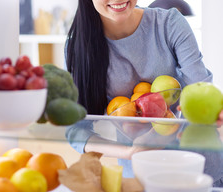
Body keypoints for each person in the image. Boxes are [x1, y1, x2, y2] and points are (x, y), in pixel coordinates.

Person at [64, 1, 223, 181]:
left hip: (199, 169)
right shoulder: (78, 48)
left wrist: (212, 113)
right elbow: (76, 129)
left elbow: (200, 88)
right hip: (141, 176)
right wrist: (129, 151)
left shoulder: (168, 24)